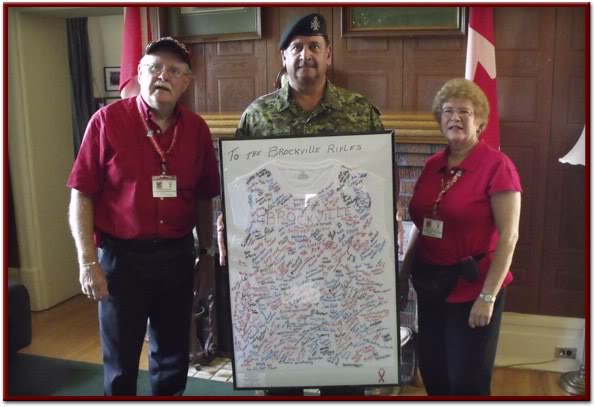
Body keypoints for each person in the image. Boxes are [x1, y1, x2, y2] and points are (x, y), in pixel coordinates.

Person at [220, 13, 388, 397]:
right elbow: (236, 184)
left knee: (343, 372)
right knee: (283, 368)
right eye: (296, 47)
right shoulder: (256, 116)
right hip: (278, 264)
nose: (305, 55)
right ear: (283, 57)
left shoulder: (360, 111)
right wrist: (227, 222)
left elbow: (378, 185)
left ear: (328, 55)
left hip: (341, 263)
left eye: (314, 46)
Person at [67, 37, 220, 396]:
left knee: (173, 359)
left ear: (186, 82)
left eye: (174, 71)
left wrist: (207, 256)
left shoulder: (197, 130)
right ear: (139, 73)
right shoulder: (106, 122)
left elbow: (203, 198)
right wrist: (87, 262)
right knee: (120, 364)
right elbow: (81, 194)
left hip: (177, 258)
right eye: (154, 67)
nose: (162, 76)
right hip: (122, 261)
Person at [399, 78, 522, 395]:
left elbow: (509, 236)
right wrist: (403, 271)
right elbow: (423, 224)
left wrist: (488, 297)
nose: (455, 117)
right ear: (440, 119)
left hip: (473, 288)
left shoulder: (498, 166)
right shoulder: (432, 165)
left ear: (480, 121)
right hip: (430, 285)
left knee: (467, 380)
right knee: (434, 369)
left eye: (464, 111)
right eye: (448, 111)